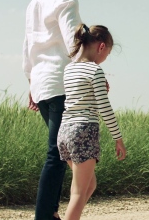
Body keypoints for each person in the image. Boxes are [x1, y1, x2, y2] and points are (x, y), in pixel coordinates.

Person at [23, 0, 94, 220]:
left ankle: (51, 214)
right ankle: (44, 216)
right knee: (57, 154)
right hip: (62, 84)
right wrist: (92, 71)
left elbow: (27, 47)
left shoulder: (35, 2)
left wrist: (31, 82)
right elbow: (74, 42)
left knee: (62, 153)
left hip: (42, 85)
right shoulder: (66, 0)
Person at [57, 23, 126, 220]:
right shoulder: (94, 71)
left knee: (89, 184)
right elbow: (104, 108)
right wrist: (118, 138)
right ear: (101, 47)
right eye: (108, 54)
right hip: (83, 131)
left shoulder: (69, 69)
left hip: (65, 133)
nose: (105, 59)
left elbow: (79, 96)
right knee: (78, 194)